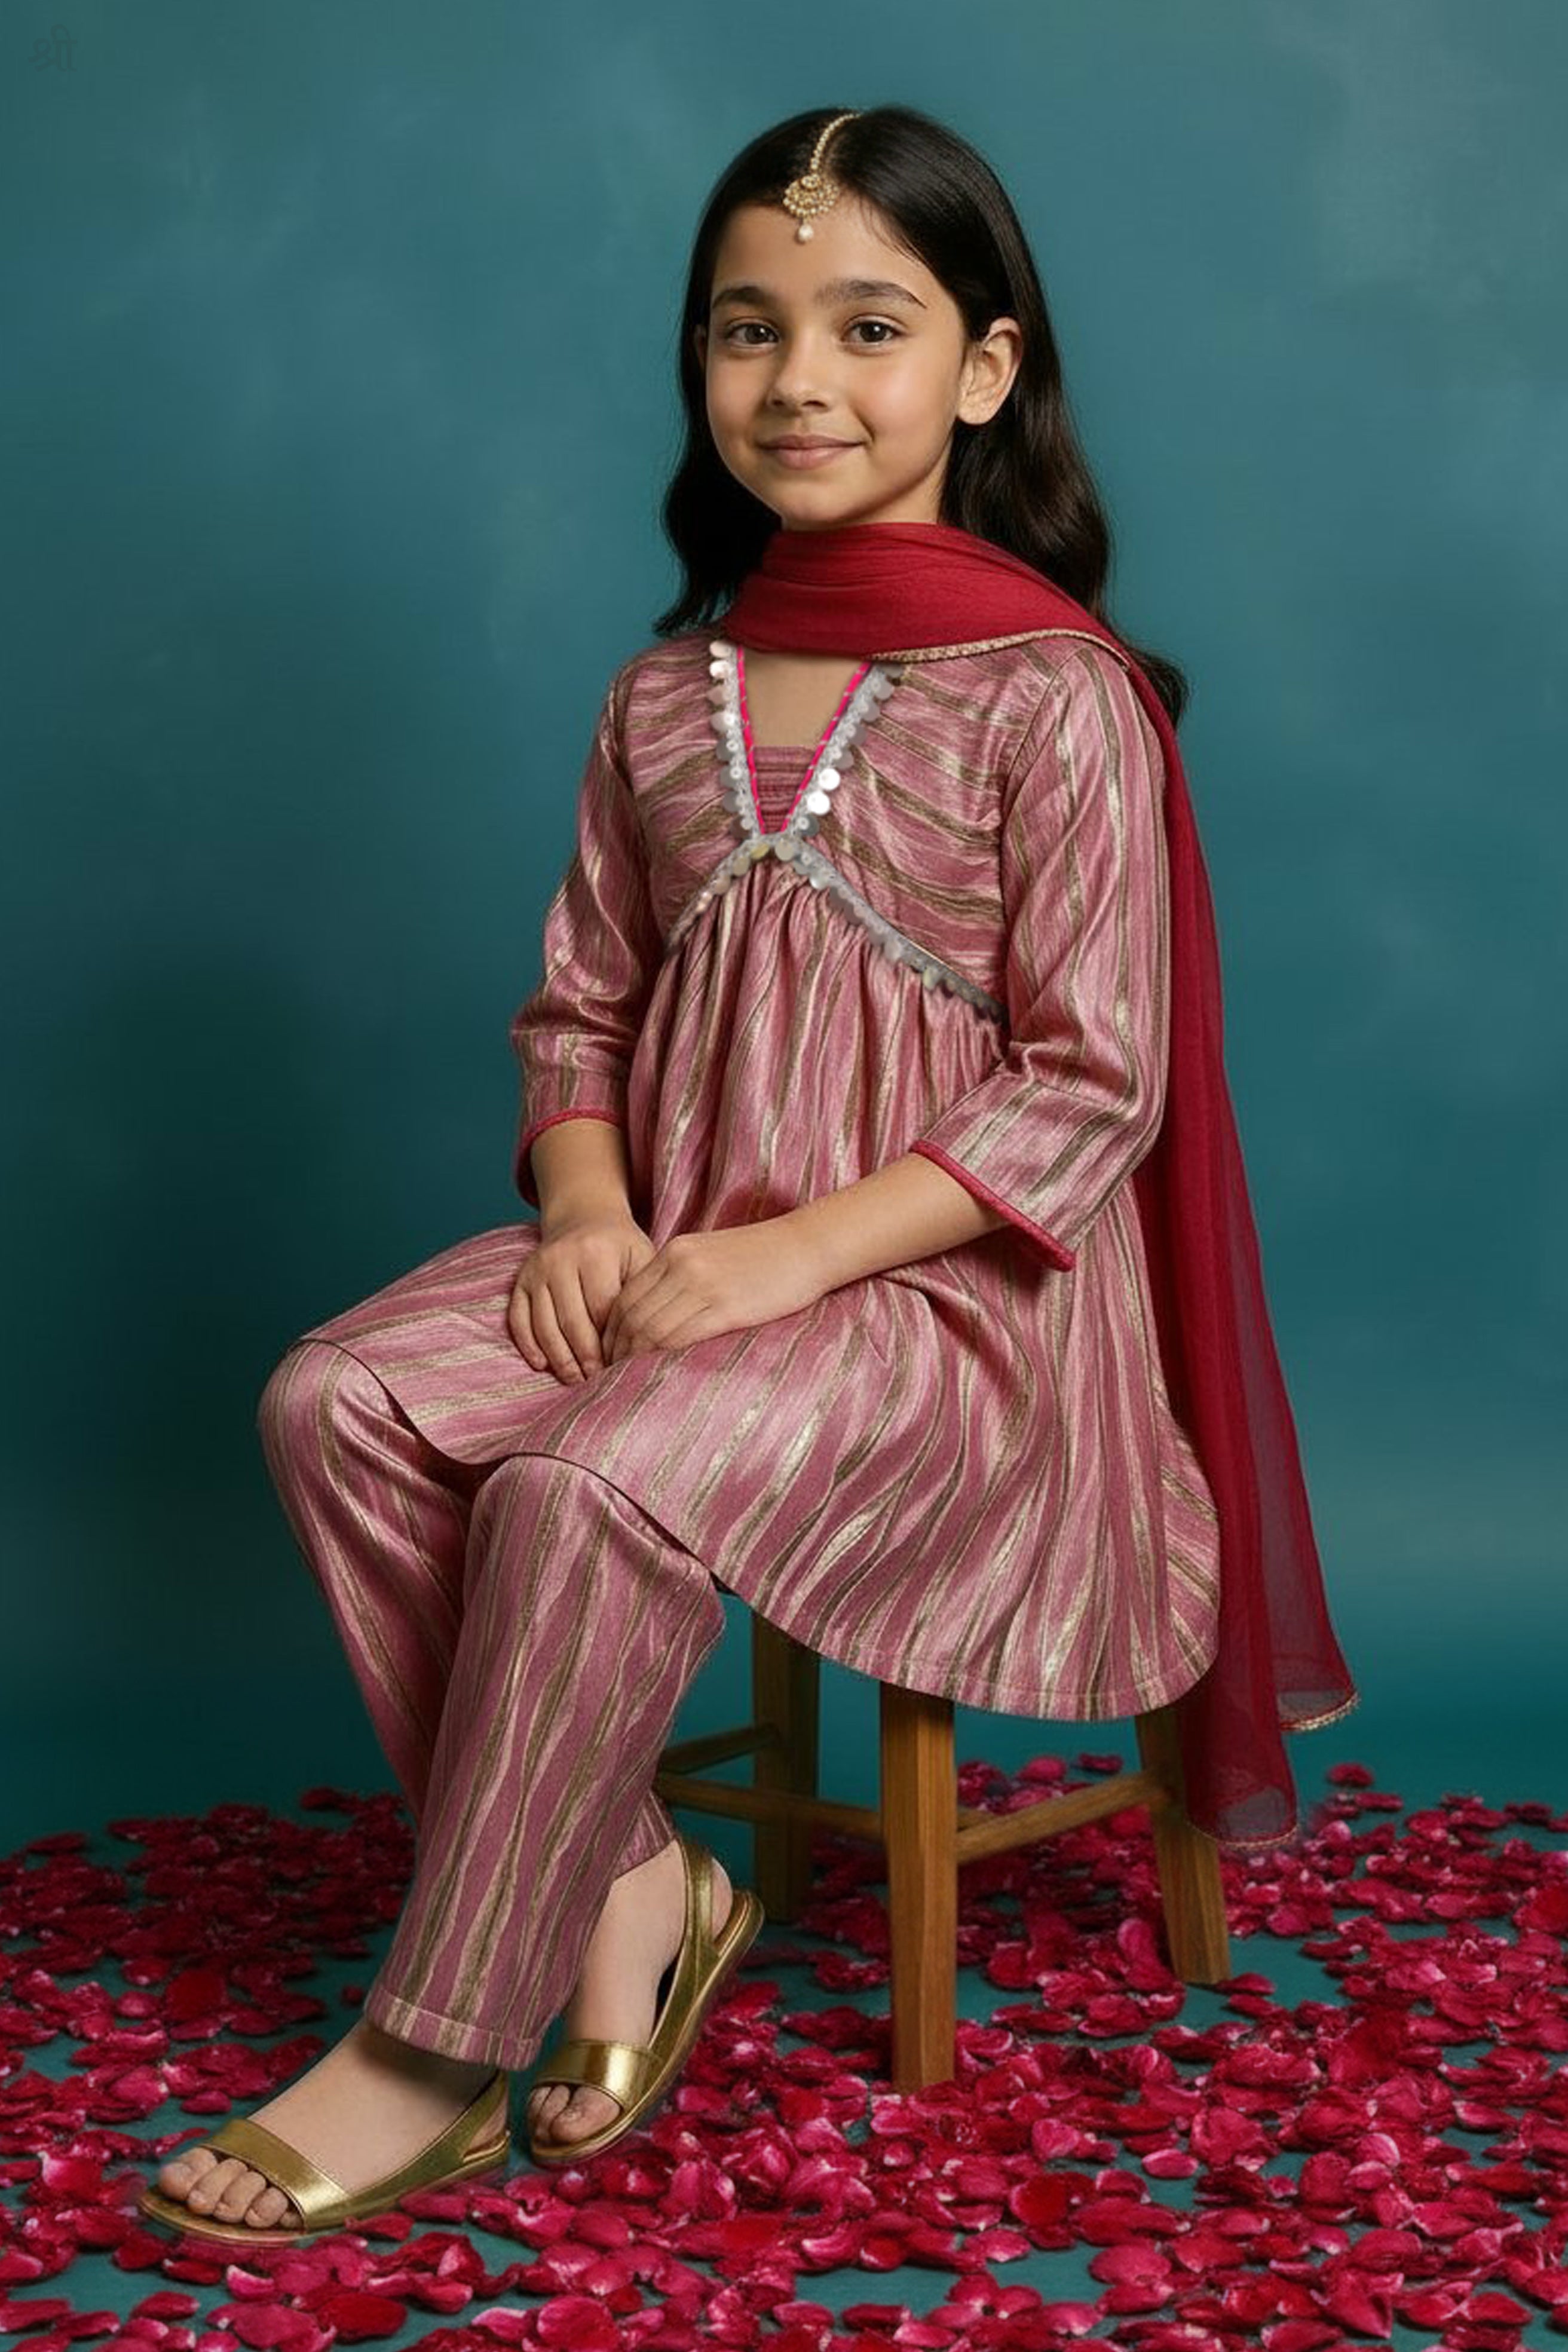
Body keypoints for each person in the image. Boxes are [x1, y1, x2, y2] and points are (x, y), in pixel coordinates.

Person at [139, 102, 1357, 2247]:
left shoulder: (1050, 700)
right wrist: (595, 1211)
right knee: (337, 1399)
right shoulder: (657, 696)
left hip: (956, 1322)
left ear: (982, 370)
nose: (799, 382)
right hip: (674, 1260)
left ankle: (433, 2042)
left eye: (867, 326)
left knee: (586, 1480)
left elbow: (1093, 1092)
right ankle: (626, 1882)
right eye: (747, 328)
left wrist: (786, 1260)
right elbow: (576, 1016)